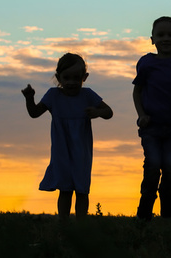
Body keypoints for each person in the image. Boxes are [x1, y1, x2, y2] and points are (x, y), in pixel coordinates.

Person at [21, 53, 113, 220]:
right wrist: (29, 98)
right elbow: (34, 113)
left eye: (76, 78)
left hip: (81, 152)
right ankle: (63, 225)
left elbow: (109, 112)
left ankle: (81, 226)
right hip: (61, 152)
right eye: (66, 77)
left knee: (82, 189)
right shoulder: (53, 96)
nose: (71, 82)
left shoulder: (87, 95)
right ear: (58, 78)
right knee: (65, 189)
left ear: (84, 77)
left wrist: (97, 112)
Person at [133, 16, 171, 220]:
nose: (166, 39)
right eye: (161, 35)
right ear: (152, 39)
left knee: (169, 165)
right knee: (152, 165)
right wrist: (141, 115)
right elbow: (137, 92)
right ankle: (145, 212)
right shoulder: (146, 63)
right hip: (151, 126)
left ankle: (167, 209)